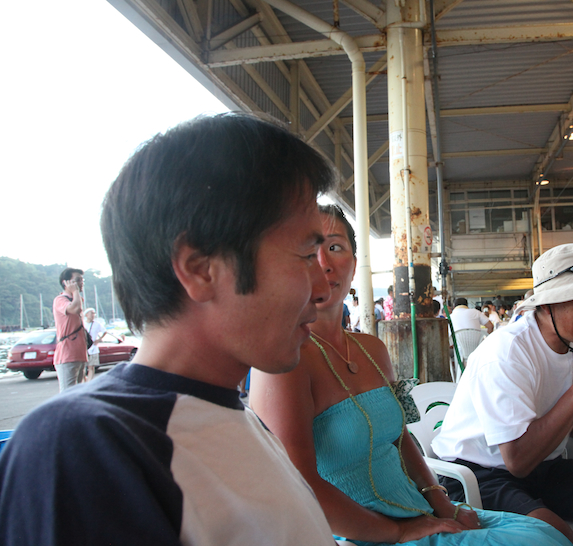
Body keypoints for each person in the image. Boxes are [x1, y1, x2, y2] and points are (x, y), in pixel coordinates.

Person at [0, 114, 339, 545]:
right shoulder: (85, 447)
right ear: (199, 268)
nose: (323, 288)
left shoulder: (234, 416)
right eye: (307, 255)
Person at [249, 206, 570, 546]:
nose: (323, 262)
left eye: (334, 247)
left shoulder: (373, 350)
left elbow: (401, 439)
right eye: (307, 249)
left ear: (354, 265)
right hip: (357, 533)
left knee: (548, 533)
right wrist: (399, 532)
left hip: (416, 512)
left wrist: (442, 505)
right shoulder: (283, 360)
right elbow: (297, 484)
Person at [432, 243, 573, 546]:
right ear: (548, 305)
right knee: (553, 536)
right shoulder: (507, 352)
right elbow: (517, 460)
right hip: (477, 474)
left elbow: (569, 423)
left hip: (543, 464)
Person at [51, 268, 88, 391]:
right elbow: (75, 309)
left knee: (78, 392)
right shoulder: (60, 300)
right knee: (67, 393)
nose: (81, 283)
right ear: (66, 283)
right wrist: (75, 291)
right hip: (67, 354)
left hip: (80, 353)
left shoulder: (77, 300)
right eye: (77, 280)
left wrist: (76, 294)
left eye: (82, 280)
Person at [83, 307, 106, 381]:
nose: (93, 315)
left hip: (93, 348)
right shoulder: (83, 324)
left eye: (94, 313)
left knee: (91, 366)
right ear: (86, 315)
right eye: (91, 313)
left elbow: (104, 331)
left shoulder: (97, 324)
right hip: (84, 348)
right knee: (82, 367)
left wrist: (98, 339)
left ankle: (89, 381)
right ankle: (85, 380)